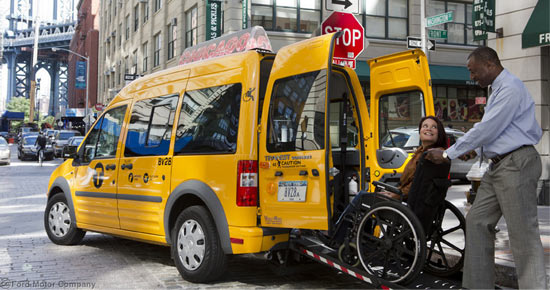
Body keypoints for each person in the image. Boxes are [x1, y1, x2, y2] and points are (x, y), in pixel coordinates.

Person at [425, 47, 546, 289]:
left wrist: (449, 153)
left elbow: (489, 128)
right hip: (499, 166)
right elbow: (498, 131)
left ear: (490, 63)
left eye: (474, 71)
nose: (472, 77)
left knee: (523, 236)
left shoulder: (510, 87)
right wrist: (475, 149)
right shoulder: (497, 89)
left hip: (516, 164)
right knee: (477, 221)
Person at [381, 116, 451, 235]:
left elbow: (418, 185)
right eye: (425, 126)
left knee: (362, 199)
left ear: (439, 133)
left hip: (411, 204)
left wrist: (395, 194)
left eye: (434, 127)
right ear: (420, 132)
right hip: (416, 202)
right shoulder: (424, 152)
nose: (429, 129)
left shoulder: (431, 156)